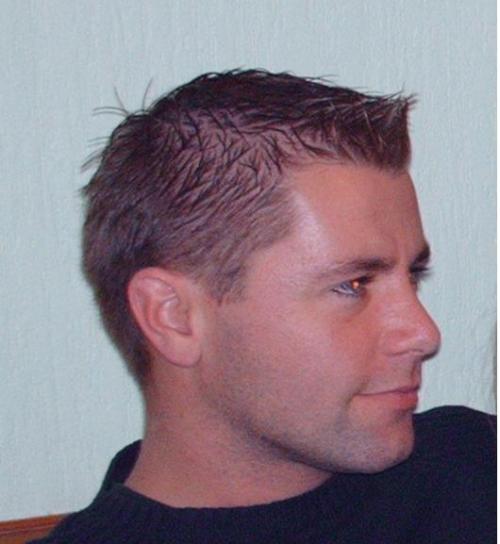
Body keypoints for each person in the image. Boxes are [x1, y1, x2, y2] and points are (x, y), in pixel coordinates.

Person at [32, 69, 495, 544]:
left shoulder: (476, 471)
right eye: (353, 285)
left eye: (413, 275)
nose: (423, 333)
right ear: (173, 316)